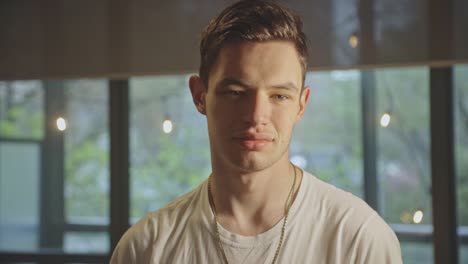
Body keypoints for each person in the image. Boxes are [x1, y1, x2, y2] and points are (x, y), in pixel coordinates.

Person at [110, 0, 402, 263]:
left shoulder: (359, 239)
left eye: (279, 96)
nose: (256, 116)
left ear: (301, 105)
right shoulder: (145, 249)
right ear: (200, 96)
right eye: (236, 92)